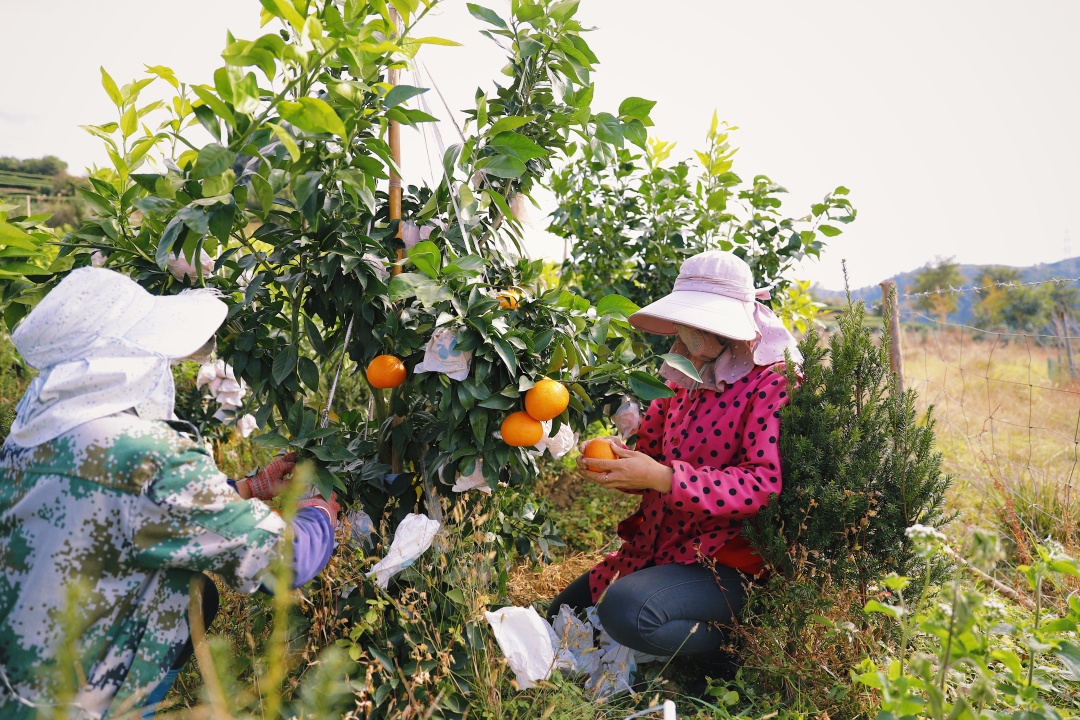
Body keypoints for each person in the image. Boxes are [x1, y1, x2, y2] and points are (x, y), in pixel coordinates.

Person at [0, 268, 340, 718]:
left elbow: (133, 504)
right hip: (80, 702)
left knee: (197, 592)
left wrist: (249, 487)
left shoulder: (33, 435)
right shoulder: (146, 454)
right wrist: (319, 511)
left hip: (18, 684)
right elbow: (284, 562)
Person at [548, 250, 801, 667]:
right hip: (668, 543)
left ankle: (735, 644)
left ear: (726, 330)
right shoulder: (686, 376)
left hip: (726, 561)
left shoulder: (770, 384)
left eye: (692, 329)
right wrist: (621, 462)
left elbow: (762, 486)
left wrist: (664, 478)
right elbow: (651, 454)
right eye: (681, 327)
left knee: (626, 611)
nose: (679, 342)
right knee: (562, 613)